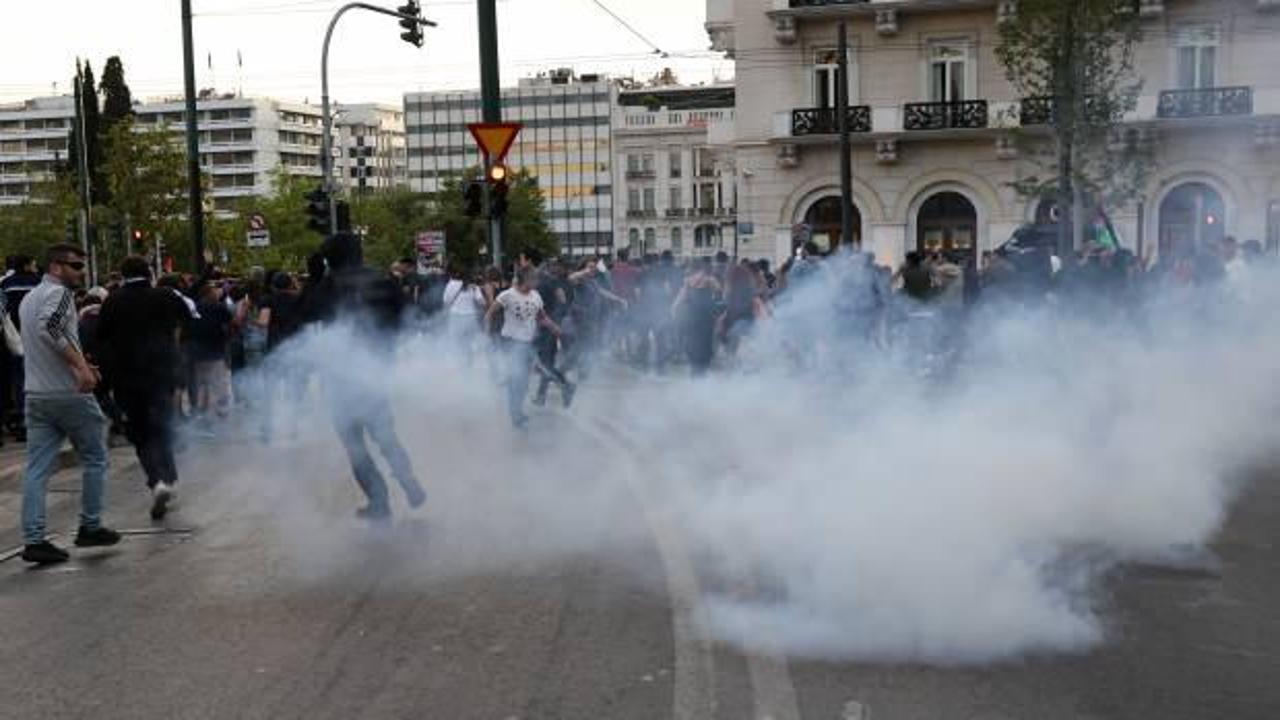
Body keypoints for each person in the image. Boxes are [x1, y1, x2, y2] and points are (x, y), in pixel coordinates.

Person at [305, 233, 426, 520]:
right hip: (374, 373)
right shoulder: (384, 280)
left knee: (354, 444)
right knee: (385, 434)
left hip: (340, 378)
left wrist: (314, 279)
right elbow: (410, 318)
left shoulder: (329, 285)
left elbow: (305, 317)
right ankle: (408, 482)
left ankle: (380, 502)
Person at [18, 244, 120, 564]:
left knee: (37, 469)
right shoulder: (58, 294)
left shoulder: (28, 299)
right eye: (75, 266)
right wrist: (80, 367)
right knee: (96, 456)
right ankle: (89, 525)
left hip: (36, 394)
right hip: (67, 393)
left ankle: (34, 539)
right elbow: (49, 328)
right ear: (56, 267)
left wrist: (81, 363)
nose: (80, 273)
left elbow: (45, 335)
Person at [96, 256, 190, 520]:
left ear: (123, 275)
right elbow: (187, 321)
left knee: (140, 433)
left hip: (127, 379)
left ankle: (156, 479)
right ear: (149, 273)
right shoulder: (164, 296)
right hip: (161, 374)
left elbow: (101, 340)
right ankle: (170, 478)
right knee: (163, 426)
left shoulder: (112, 301)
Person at [484, 265, 565, 428]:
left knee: (523, 380)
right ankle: (515, 413)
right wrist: (488, 336)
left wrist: (554, 328)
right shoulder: (507, 295)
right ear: (525, 279)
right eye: (534, 277)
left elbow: (541, 317)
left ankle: (517, 410)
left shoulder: (536, 296)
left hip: (528, 342)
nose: (537, 280)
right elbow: (490, 314)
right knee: (517, 378)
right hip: (511, 342)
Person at [190, 283, 234, 422]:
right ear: (208, 293)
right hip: (216, 349)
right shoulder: (219, 307)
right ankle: (220, 412)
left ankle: (203, 412)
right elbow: (231, 323)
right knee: (219, 382)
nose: (217, 293)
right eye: (214, 291)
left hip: (197, 350)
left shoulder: (194, 307)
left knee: (203, 383)